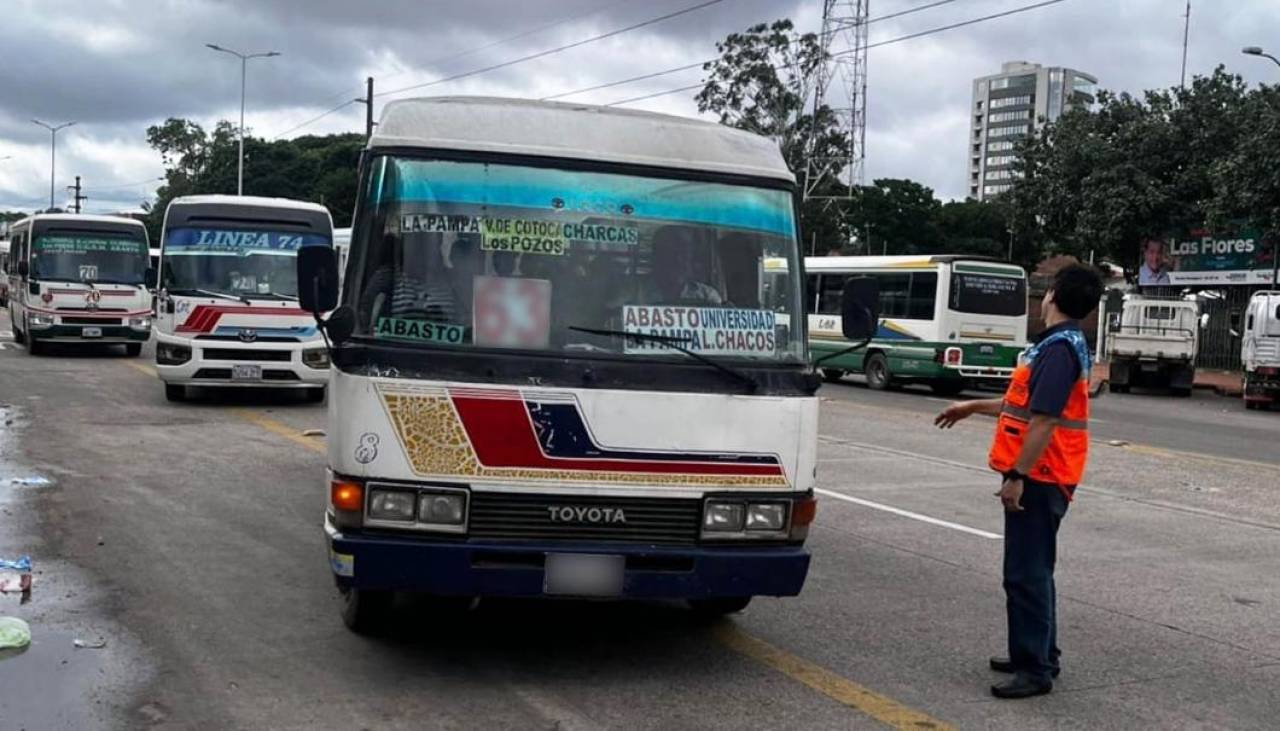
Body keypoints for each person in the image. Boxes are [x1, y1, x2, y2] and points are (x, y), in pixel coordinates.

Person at [933, 264, 1104, 700]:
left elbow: (1045, 420)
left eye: (1047, 289)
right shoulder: (1059, 346)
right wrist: (972, 406)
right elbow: (1023, 405)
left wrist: (1016, 476)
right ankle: (1040, 651)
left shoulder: (1059, 351)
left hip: (1042, 475)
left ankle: (1034, 669)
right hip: (1049, 473)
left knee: (1024, 574)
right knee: (1036, 569)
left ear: (1052, 297)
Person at [643, 226, 723, 305]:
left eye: (684, 253)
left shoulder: (707, 296)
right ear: (657, 256)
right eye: (671, 253)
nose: (678, 260)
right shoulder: (636, 292)